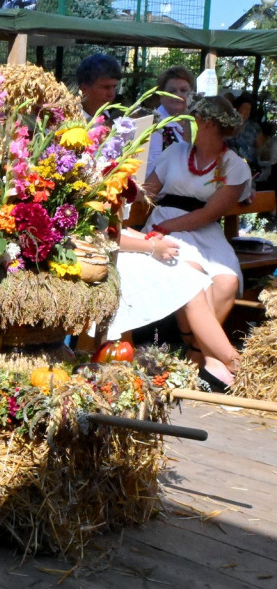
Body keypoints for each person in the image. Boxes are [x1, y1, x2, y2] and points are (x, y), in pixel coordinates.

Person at [141, 95, 250, 389]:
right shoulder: (175, 151)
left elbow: (208, 214)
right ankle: (223, 360)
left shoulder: (234, 166)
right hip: (167, 227)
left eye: (191, 119)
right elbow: (147, 191)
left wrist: (166, 225)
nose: (184, 124)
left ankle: (195, 352)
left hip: (202, 230)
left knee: (227, 282)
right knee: (192, 275)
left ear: (208, 125)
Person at [111, 227, 240, 390]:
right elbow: (104, 235)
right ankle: (234, 363)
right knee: (189, 280)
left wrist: (150, 238)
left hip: (125, 243)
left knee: (194, 269)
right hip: (105, 253)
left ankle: (214, 363)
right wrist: (152, 246)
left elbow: (120, 227)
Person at [146, 66, 194, 176]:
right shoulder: (153, 125)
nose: (178, 95)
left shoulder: (196, 122)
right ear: (161, 94)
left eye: (183, 90)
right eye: (172, 91)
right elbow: (149, 170)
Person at [76, 53, 121, 121]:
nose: (111, 94)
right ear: (84, 89)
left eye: (114, 87)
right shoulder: (65, 121)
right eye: (106, 87)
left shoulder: (111, 120)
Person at [229, 93, 261, 172]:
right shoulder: (228, 125)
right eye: (244, 108)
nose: (247, 111)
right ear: (237, 108)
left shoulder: (254, 127)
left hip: (248, 166)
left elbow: (260, 148)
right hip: (229, 166)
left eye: (249, 109)